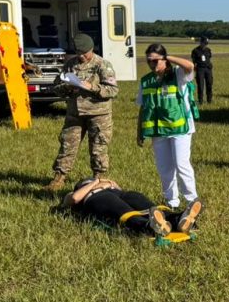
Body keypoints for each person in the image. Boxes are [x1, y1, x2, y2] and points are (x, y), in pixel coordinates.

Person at [46, 33, 119, 190]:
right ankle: (59, 178)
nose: (81, 56)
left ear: (91, 49)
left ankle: (99, 180)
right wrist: (68, 87)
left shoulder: (102, 65)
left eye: (84, 53)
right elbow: (56, 87)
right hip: (75, 114)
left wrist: (92, 87)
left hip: (98, 114)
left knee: (98, 147)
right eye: (78, 53)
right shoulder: (70, 65)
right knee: (67, 145)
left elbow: (113, 90)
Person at [137, 43, 201, 212]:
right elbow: (143, 108)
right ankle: (172, 201)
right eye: (149, 61)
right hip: (158, 132)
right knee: (164, 168)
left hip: (180, 130)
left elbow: (190, 66)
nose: (152, 64)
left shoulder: (178, 75)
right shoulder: (146, 81)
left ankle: (192, 200)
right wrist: (140, 132)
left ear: (164, 59)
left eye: (155, 60)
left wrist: (168, 57)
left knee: (181, 164)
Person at [57, 177, 201, 236]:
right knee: (124, 211)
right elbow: (74, 199)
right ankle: (148, 226)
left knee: (148, 206)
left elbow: (118, 187)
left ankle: (178, 219)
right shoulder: (76, 191)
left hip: (120, 193)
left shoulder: (107, 184)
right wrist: (96, 182)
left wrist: (111, 183)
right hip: (98, 198)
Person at [190, 36, 213, 104]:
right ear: (201, 42)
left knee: (209, 84)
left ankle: (209, 100)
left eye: (206, 43)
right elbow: (193, 61)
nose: (205, 44)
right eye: (204, 43)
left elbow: (209, 58)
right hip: (200, 69)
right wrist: (194, 69)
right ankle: (200, 101)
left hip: (208, 69)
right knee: (200, 85)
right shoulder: (195, 51)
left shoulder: (208, 50)